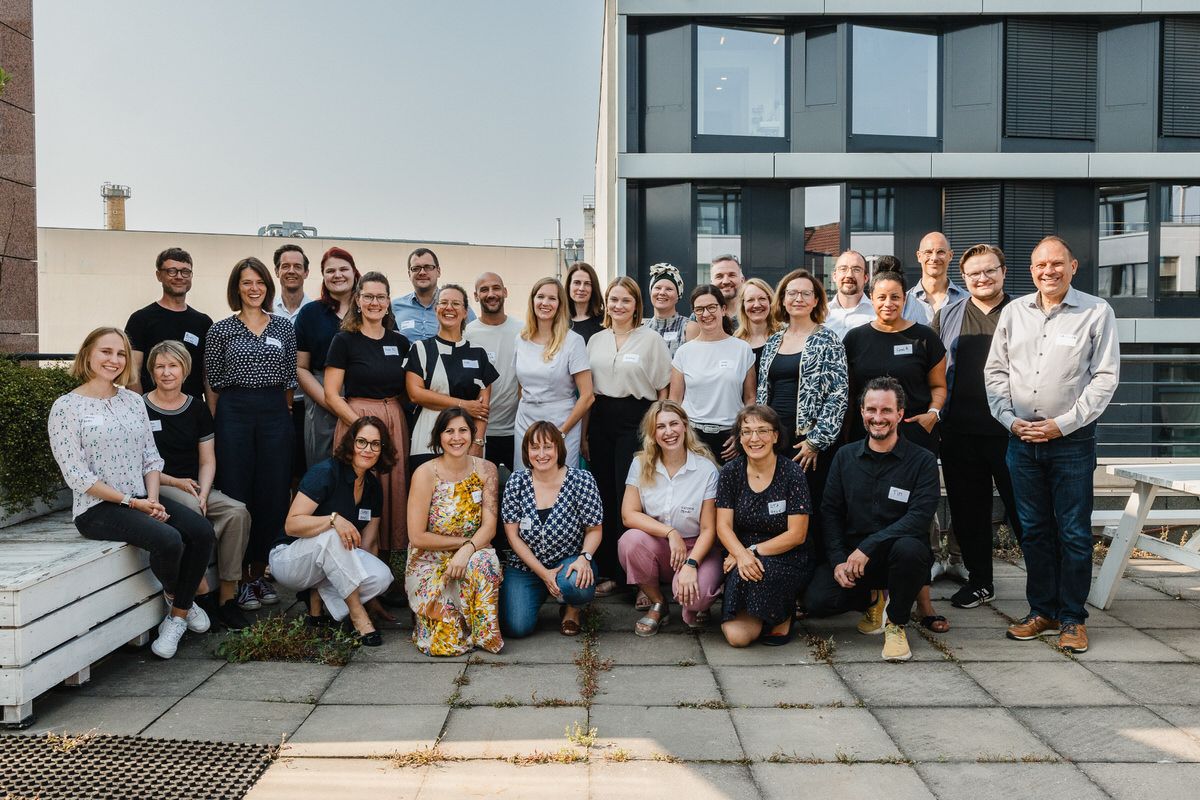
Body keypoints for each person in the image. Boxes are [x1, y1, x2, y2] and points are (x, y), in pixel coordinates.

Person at [986, 235, 1120, 655]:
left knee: (1075, 533)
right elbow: (996, 373)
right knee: (1034, 532)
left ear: (1073, 266)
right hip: (1021, 442)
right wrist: (1010, 421)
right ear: (1031, 270)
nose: (1049, 271)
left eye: (1057, 264)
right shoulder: (1014, 312)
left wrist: (1062, 425)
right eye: (1041, 265)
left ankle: (1072, 618)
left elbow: (1104, 378)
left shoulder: (1097, 312)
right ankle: (1041, 611)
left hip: (1072, 443)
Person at [48, 327, 215, 660]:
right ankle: (178, 599)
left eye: (121, 353)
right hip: (98, 508)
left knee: (202, 531)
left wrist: (151, 500)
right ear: (87, 355)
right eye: (106, 352)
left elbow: (150, 457)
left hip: (141, 496)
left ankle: (178, 614)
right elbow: (77, 475)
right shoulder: (66, 407)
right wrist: (133, 503)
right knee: (169, 540)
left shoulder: (131, 401)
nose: (114, 360)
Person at [842, 268, 949, 632]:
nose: (888, 303)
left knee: (918, 521)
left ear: (907, 299)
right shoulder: (855, 338)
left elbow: (938, 385)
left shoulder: (924, 337)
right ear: (871, 298)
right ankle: (876, 600)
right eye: (881, 296)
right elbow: (849, 392)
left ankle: (923, 603)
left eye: (895, 296)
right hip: (869, 439)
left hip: (914, 439)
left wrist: (933, 414)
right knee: (871, 510)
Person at [804, 377, 939, 663]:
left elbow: (919, 517)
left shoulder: (923, 461)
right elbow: (830, 512)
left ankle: (896, 622)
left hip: (896, 555)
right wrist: (839, 559)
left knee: (912, 550)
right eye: (871, 410)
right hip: (853, 559)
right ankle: (873, 600)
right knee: (817, 601)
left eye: (886, 411)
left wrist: (869, 546)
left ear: (900, 414)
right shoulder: (845, 456)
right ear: (862, 412)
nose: (878, 418)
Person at [932, 244, 1024, 610]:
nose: (982, 278)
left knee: (1024, 511)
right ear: (964, 277)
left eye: (989, 271)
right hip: (959, 432)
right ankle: (981, 582)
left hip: (1010, 432)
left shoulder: (1023, 313)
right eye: (974, 273)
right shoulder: (949, 314)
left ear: (1003, 272)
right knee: (969, 512)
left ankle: (1047, 585)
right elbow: (935, 369)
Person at [204, 257, 297, 608]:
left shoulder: (284, 328)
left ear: (267, 287)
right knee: (237, 492)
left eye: (259, 282)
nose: (254, 288)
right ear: (236, 288)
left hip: (274, 412)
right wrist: (219, 421)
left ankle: (259, 575)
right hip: (234, 413)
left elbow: (290, 378)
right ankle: (237, 576)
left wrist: (280, 412)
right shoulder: (221, 330)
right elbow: (212, 381)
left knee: (273, 494)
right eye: (247, 282)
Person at [143, 340, 251, 630]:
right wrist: (177, 483)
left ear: (185, 370)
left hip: (194, 485)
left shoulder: (197, 408)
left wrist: (204, 492)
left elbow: (207, 461)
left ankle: (227, 597)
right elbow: (138, 465)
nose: (167, 372)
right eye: (160, 366)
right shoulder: (139, 407)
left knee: (236, 511)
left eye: (173, 366)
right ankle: (198, 595)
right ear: (152, 371)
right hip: (158, 485)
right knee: (191, 508)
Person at [271, 418, 397, 646]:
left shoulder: (372, 487)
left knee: (382, 576)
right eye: (362, 442)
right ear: (350, 443)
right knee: (332, 535)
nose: (368, 449)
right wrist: (333, 520)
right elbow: (292, 525)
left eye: (375, 444)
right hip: (291, 558)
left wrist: (373, 597)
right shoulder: (326, 473)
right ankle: (357, 615)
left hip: (331, 563)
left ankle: (318, 597)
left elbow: (368, 546)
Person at [754, 269, 848, 562]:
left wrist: (816, 441)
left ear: (816, 300)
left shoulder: (828, 340)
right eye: (791, 293)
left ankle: (812, 576)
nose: (798, 298)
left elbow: (838, 395)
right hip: (773, 441)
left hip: (806, 444)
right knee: (775, 509)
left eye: (806, 293)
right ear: (782, 298)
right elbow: (762, 391)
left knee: (808, 511)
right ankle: (778, 572)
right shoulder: (774, 340)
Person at [586, 276, 672, 596]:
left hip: (636, 420)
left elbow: (663, 388)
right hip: (600, 421)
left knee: (631, 499)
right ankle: (610, 571)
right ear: (606, 303)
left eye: (625, 300)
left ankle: (638, 580)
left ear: (636, 304)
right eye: (613, 299)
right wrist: (584, 435)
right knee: (604, 497)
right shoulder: (596, 340)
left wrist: (659, 429)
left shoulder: (650, 340)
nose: (618, 306)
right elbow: (588, 391)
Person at [324, 271, 411, 555]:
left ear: (388, 302)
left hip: (394, 421)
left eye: (381, 297)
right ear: (358, 300)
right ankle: (347, 556)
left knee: (393, 489)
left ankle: (387, 561)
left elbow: (407, 389)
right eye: (369, 296)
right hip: (356, 421)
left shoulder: (399, 342)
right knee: (355, 488)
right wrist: (361, 425)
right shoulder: (344, 340)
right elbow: (331, 393)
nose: (375, 302)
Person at [405, 408, 503, 656]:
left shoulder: (487, 470)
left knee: (484, 561)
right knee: (445, 644)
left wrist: (466, 551)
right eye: (449, 431)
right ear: (439, 437)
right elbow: (416, 536)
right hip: (429, 558)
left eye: (463, 430)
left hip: (472, 552)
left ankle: (483, 635)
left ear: (472, 434)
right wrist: (462, 545)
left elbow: (489, 527)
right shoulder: (425, 473)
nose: (456, 437)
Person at [618, 401, 722, 635]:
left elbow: (709, 529)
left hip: (698, 547)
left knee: (695, 598)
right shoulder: (641, 463)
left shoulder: (706, 470)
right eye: (661, 426)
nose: (669, 432)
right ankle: (658, 603)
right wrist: (669, 532)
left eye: (674, 424)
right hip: (661, 546)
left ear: (685, 426)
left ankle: (697, 601)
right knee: (630, 541)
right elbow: (629, 514)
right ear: (653, 434)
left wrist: (692, 564)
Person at [715, 405, 811, 648]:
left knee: (764, 573)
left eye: (762, 431)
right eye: (746, 432)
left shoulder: (792, 473)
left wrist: (751, 551)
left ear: (776, 435)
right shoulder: (730, 472)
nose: (754, 438)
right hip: (741, 555)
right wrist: (739, 553)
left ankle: (783, 612)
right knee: (738, 638)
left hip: (785, 554)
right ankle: (762, 613)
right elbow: (723, 526)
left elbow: (797, 534)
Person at [500, 422, 603, 638]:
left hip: (568, 562)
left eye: (548, 446)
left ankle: (571, 608)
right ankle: (537, 592)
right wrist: (543, 574)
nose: (541, 454)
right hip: (526, 566)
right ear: (527, 452)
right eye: (535, 447)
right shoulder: (516, 482)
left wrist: (584, 557)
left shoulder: (581, 480)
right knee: (516, 628)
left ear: (559, 449)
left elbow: (594, 529)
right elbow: (512, 536)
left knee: (576, 585)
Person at [405, 285, 499, 472]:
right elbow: (416, 394)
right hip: (427, 442)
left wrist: (477, 443)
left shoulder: (478, 354)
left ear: (465, 312)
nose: (449, 307)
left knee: (467, 500)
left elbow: (482, 408)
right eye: (444, 302)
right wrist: (463, 405)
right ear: (436, 309)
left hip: (466, 443)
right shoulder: (421, 349)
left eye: (456, 303)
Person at [669, 284, 755, 464]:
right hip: (693, 437)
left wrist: (742, 432)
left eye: (711, 307)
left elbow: (750, 398)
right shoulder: (684, 352)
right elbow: (674, 401)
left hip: (731, 438)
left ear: (723, 309)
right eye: (699, 309)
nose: (706, 314)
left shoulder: (742, 349)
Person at [513, 277, 593, 468]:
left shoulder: (573, 341)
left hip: (562, 423)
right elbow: (520, 385)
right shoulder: (520, 339)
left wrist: (562, 432)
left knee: (559, 483)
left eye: (552, 298)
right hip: (526, 421)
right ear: (532, 301)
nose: (545, 303)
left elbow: (587, 396)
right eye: (540, 297)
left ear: (560, 304)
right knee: (527, 481)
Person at [295, 247, 360, 469]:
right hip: (321, 399)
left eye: (344, 269)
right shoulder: (310, 313)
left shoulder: (370, 308)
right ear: (323, 276)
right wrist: (329, 400)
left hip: (363, 396)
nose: (338, 275)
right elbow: (301, 367)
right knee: (324, 469)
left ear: (354, 272)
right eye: (330, 270)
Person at [124, 247, 212, 399]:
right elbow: (133, 373)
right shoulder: (140, 320)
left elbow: (208, 376)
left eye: (185, 271)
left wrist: (210, 415)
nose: (179, 276)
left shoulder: (203, 322)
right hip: (152, 412)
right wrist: (141, 412)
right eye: (172, 271)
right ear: (159, 275)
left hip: (192, 413)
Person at [465, 272, 523, 471]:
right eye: (484, 289)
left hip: (516, 429)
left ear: (505, 292)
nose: (491, 294)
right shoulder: (467, 333)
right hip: (479, 432)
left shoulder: (522, 330)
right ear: (475, 296)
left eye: (496, 288)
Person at [272, 243, 313, 481]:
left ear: (306, 272)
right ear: (277, 271)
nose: (291, 271)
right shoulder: (265, 310)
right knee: (278, 472)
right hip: (276, 405)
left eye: (298, 266)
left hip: (309, 405)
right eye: (285, 266)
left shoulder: (318, 311)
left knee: (305, 470)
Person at [391, 247, 476, 343]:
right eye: (416, 268)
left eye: (428, 267)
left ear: (438, 271)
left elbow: (474, 337)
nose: (422, 272)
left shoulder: (458, 308)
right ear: (409, 274)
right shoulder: (394, 307)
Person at [904, 232, 970, 325]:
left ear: (950, 256)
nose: (934, 258)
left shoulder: (967, 300)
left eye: (941, 252)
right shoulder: (904, 303)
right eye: (928, 252)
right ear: (919, 256)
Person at [824, 250, 874, 340]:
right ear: (834, 276)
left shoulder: (877, 313)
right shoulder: (820, 314)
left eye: (856, 270)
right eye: (843, 269)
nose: (849, 275)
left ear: (865, 278)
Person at [642, 262, 689, 357]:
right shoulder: (641, 329)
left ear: (678, 295)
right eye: (657, 288)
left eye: (669, 289)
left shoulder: (688, 327)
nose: (662, 292)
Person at [733, 277, 781, 366]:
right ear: (743, 306)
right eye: (750, 300)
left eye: (762, 298)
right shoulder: (735, 342)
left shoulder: (783, 337)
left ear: (770, 302)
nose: (757, 305)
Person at [565, 261, 605, 343]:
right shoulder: (558, 319)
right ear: (569, 285)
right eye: (577, 283)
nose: (581, 288)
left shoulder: (605, 321)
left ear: (593, 287)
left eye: (587, 284)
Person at [709, 254, 745, 331]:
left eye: (732, 275)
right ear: (711, 282)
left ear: (742, 280)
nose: (726, 281)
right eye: (719, 276)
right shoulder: (701, 315)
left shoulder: (753, 312)